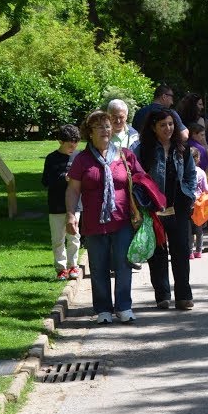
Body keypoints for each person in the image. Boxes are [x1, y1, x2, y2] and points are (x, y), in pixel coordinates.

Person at [66, 110, 153, 325]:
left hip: (123, 220)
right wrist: (70, 215)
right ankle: (103, 309)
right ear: (90, 133)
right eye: (99, 127)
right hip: (94, 222)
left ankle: (124, 306)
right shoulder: (82, 160)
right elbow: (73, 190)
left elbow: (142, 179)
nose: (105, 130)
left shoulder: (125, 155)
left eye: (107, 125)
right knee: (98, 266)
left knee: (124, 264)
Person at [137, 108, 198, 311]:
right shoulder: (143, 150)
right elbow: (136, 178)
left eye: (171, 124)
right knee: (157, 254)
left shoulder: (182, 148)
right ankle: (162, 296)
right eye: (163, 125)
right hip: (153, 209)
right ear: (153, 128)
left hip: (178, 209)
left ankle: (184, 296)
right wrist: (143, 202)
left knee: (181, 252)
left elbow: (190, 175)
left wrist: (189, 195)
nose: (168, 128)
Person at [42, 124, 82, 280]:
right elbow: (45, 181)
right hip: (56, 204)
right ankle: (61, 268)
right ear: (60, 141)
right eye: (69, 144)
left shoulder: (79, 157)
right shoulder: (51, 158)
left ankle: (73, 266)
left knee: (74, 237)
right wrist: (62, 178)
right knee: (58, 239)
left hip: (75, 205)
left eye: (75, 143)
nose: (72, 147)